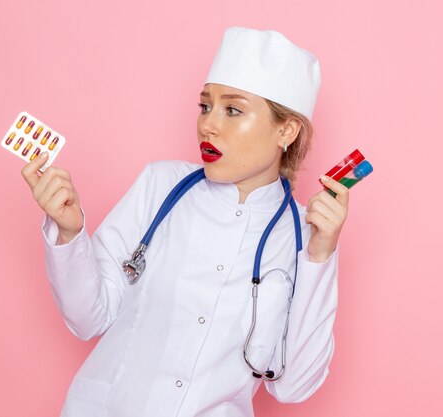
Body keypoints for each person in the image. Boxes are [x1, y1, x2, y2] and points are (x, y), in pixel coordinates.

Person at [21, 26, 348, 417]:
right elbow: (88, 317)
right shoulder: (161, 186)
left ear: (286, 130)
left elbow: (293, 386)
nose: (208, 124)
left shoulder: (303, 237)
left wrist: (320, 257)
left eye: (232, 110)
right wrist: (70, 233)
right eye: (205, 106)